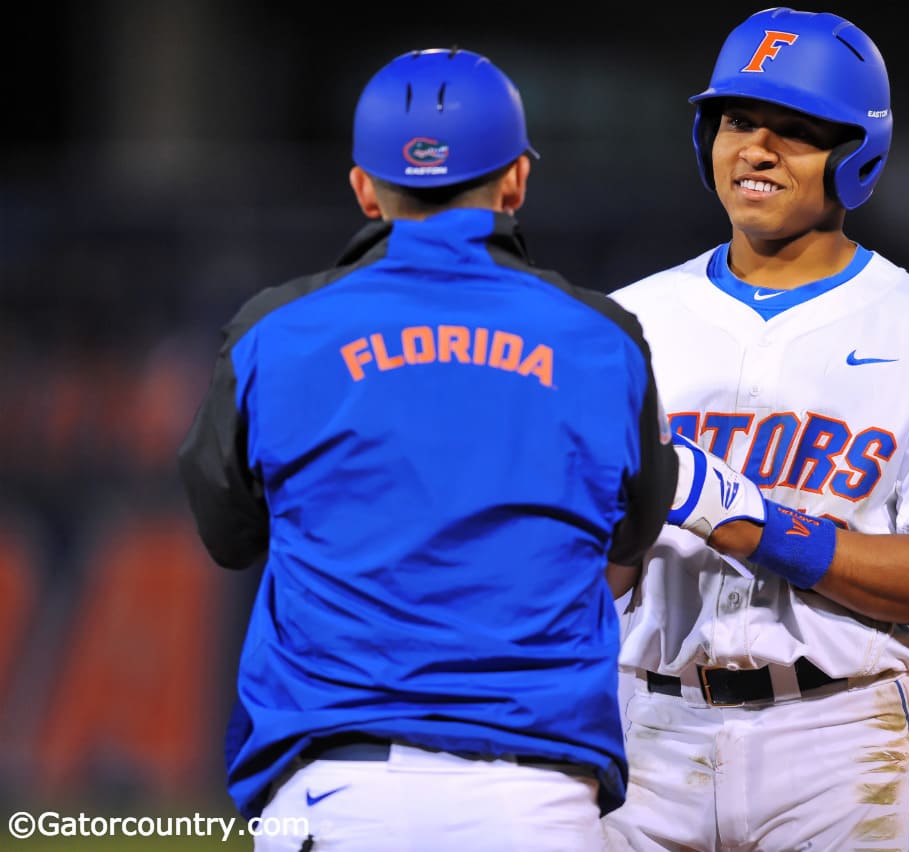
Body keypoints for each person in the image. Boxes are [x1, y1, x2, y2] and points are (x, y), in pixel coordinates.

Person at [176, 47, 677, 852]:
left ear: (363, 187)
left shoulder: (274, 333)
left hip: (334, 786)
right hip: (535, 798)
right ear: (516, 179)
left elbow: (228, 534)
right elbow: (633, 536)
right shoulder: (601, 340)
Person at [602, 8, 909, 851]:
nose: (757, 147)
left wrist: (759, 527)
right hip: (640, 730)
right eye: (737, 120)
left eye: (794, 131)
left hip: (836, 740)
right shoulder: (626, 321)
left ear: (856, 154)